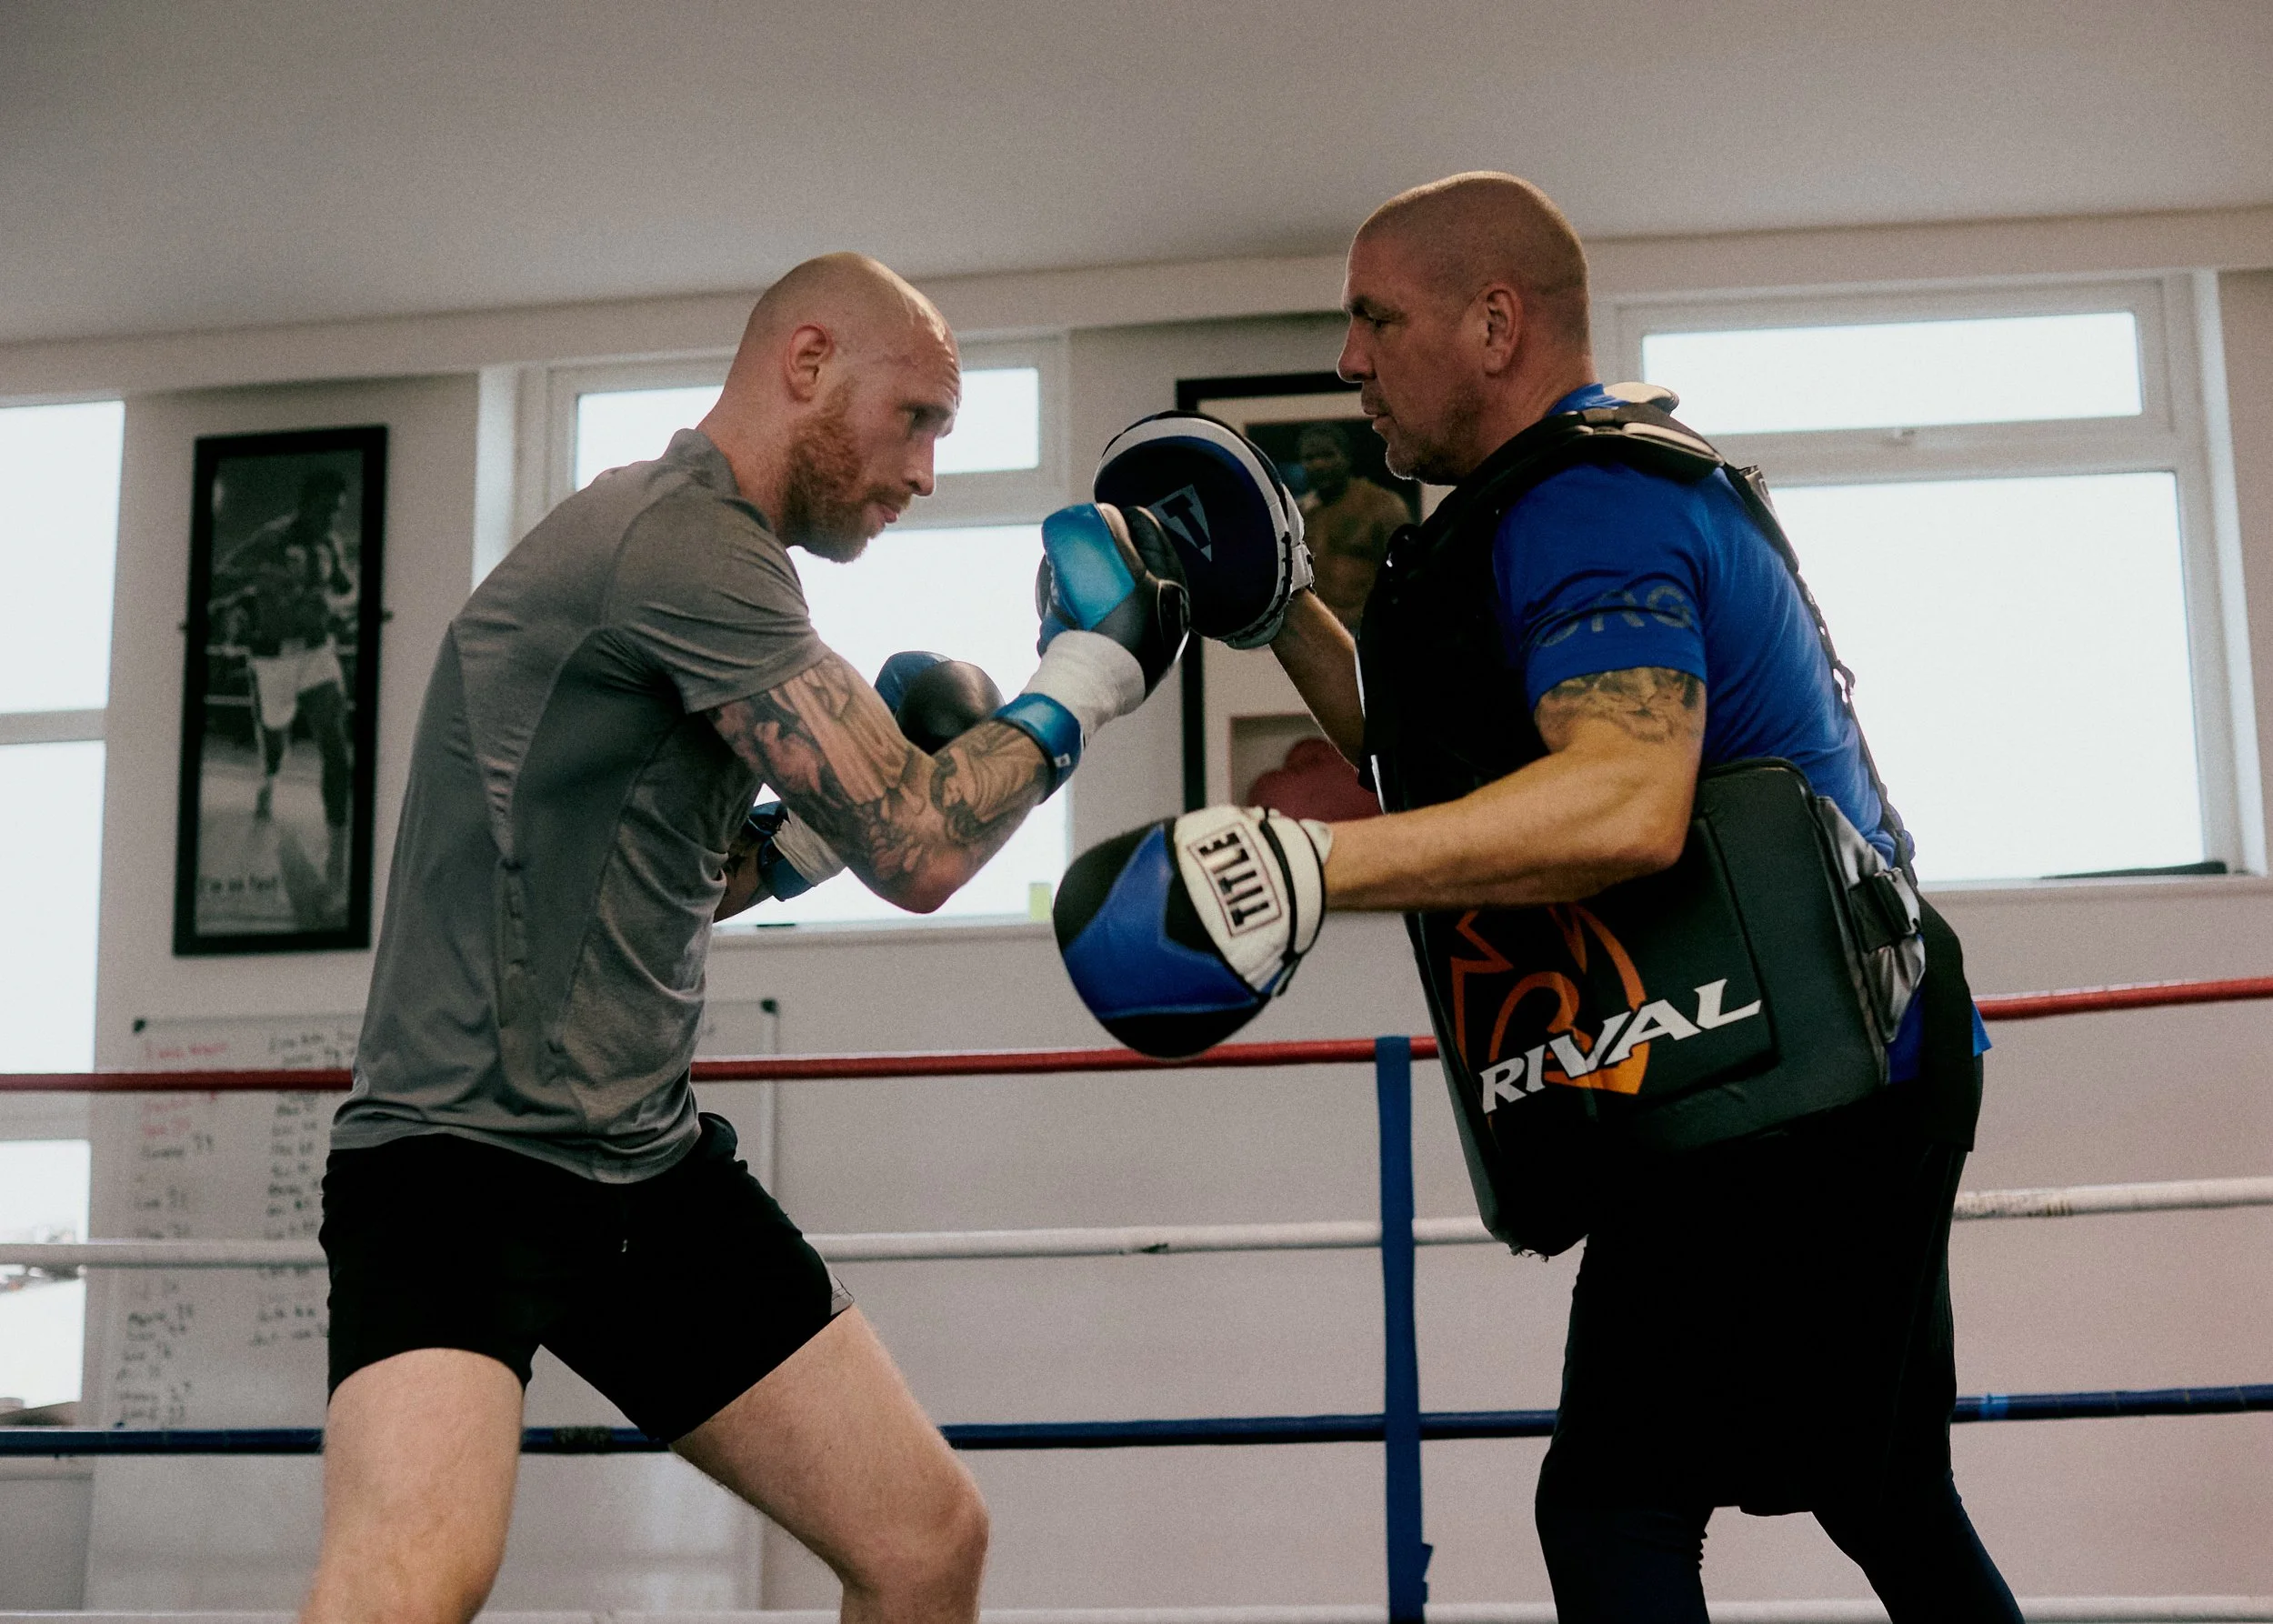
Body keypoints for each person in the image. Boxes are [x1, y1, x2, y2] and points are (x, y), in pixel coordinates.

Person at [1052, 175, 2019, 1621]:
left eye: (1377, 317)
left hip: (1794, 1087)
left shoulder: (1591, 505)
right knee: (1881, 1485)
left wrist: (1309, 865)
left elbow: (1624, 798)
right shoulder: (1547, 503)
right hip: (1809, 1059)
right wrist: (1277, 613)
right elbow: (1458, 762)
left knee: (1613, 1506)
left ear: (1494, 322)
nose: (1351, 358)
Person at [310, 252, 1176, 1624]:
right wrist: (1087, 675)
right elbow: (925, 849)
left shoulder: (707, 562)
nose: (929, 473)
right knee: (409, 1585)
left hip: (640, 1174)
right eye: (921, 420)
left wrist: (820, 826)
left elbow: (676, 870)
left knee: (924, 1542)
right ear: (810, 361)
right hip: (459, 1163)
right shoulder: (682, 542)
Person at [222, 470, 357, 902]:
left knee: (335, 744)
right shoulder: (270, 539)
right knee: (276, 734)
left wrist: (339, 603)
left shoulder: (331, 545)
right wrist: (257, 585)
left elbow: (346, 590)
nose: (331, 517)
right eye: (326, 508)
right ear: (307, 503)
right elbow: (225, 573)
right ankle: (271, 775)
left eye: (338, 510)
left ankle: (338, 858)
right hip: (273, 657)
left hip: (317, 653)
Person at [1294, 420, 1407, 627]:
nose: (1319, 464)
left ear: (1347, 458)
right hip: (1314, 628)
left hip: (1370, 627)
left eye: (1328, 455)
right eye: (1310, 458)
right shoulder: (1297, 513)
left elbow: (1406, 578)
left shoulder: (1382, 505)